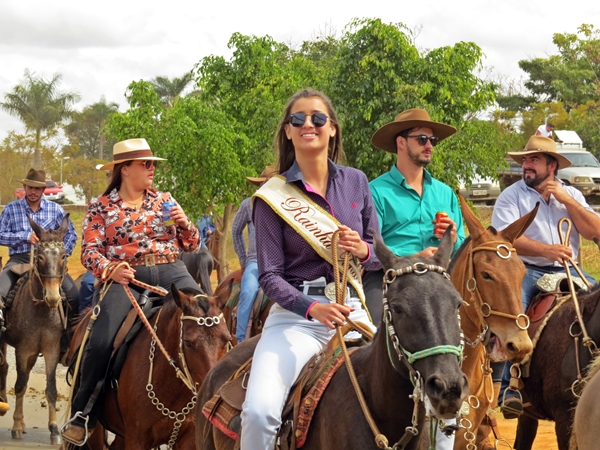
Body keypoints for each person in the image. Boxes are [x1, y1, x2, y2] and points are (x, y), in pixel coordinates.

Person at [240, 88, 381, 450]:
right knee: (259, 413)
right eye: (298, 119)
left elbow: (379, 253)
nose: (308, 124)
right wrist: (312, 308)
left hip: (355, 312)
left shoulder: (356, 181)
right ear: (288, 131)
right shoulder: (272, 197)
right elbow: (269, 276)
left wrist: (363, 249)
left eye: (318, 118)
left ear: (332, 128)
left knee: (425, 393)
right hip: (296, 317)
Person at [61, 138, 201, 446]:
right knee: (100, 338)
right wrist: (111, 270)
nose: (152, 169)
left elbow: (192, 246)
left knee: (208, 315)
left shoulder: (164, 199)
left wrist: (185, 223)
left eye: (153, 164)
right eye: (145, 164)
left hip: (171, 269)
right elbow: (89, 252)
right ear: (125, 170)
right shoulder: (101, 206)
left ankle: (221, 401)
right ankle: (83, 413)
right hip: (126, 275)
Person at [492, 135, 600, 418]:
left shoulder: (572, 195)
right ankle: (508, 388)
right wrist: (546, 250)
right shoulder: (511, 195)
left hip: (570, 269)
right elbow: (504, 237)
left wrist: (568, 200)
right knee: (512, 318)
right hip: (526, 269)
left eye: (533, 160)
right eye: (525, 160)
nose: (526, 165)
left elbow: (595, 231)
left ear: (552, 166)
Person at [365, 108, 465, 324]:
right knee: (372, 330)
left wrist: (453, 239)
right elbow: (371, 246)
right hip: (388, 277)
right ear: (401, 143)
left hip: (439, 276)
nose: (429, 145)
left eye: (432, 140)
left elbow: (464, 247)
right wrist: (416, 256)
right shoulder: (375, 191)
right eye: (422, 139)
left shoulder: (445, 192)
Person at [0, 168, 78, 414]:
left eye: (37, 189)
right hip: (19, 260)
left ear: (44, 190)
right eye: (29, 188)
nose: (33, 192)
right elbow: (0, 234)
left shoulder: (55, 210)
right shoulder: (12, 209)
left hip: (50, 264)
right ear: (25, 189)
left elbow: (72, 234)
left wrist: (56, 250)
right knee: (0, 291)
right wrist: (25, 236)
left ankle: (66, 344)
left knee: (75, 295)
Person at [231, 165, 276, 343]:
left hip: (281, 263)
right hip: (256, 262)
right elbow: (236, 231)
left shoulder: (286, 205)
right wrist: (243, 260)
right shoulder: (248, 205)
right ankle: (241, 339)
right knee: (248, 292)